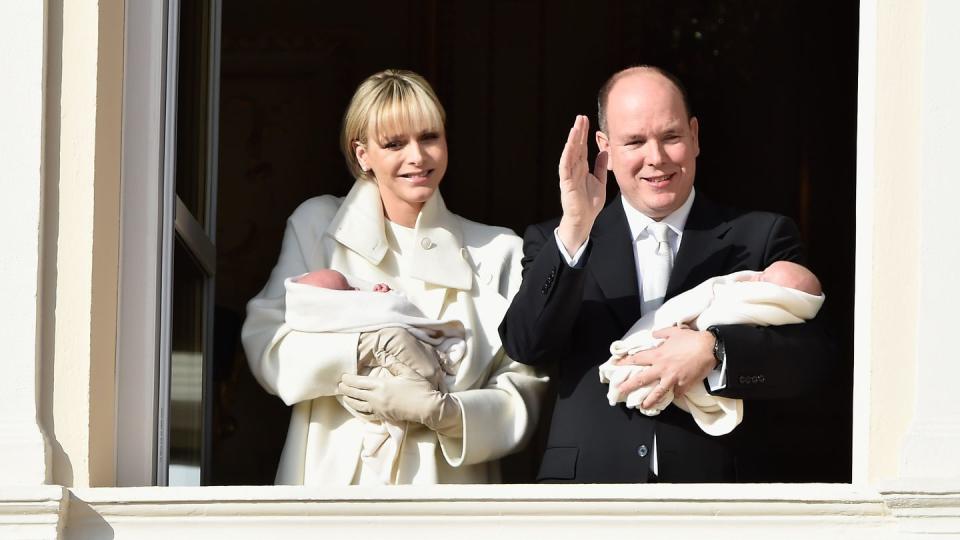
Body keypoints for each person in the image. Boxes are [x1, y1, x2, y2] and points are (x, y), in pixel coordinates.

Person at [499, 65, 835, 483]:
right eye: (635, 141)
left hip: (720, 492)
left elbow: (812, 361)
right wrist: (574, 230)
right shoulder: (556, 239)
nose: (656, 158)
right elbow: (527, 344)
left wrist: (715, 351)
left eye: (671, 136)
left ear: (694, 136)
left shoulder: (762, 236)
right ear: (604, 147)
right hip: (589, 491)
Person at [242, 69, 547, 486]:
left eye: (429, 137)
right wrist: (362, 347)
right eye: (394, 143)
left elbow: (522, 389)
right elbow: (267, 344)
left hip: (444, 498)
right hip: (329, 492)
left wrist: (445, 412)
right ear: (362, 153)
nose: (417, 157)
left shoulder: (498, 251)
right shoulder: (317, 226)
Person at [600, 261, 825, 437]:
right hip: (600, 452)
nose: (756, 276)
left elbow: (808, 351)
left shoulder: (769, 234)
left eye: (764, 277)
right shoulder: (580, 233)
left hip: (714, 459)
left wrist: (712, 346)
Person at [288, 268, 467, 484]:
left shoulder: (504, 252)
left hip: (439, 469)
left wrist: (452, 416)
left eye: (351, 286)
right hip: (340, 461)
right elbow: (272, 343)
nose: (355, 290)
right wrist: (360, 346)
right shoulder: (311, 241)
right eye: (346, 290)